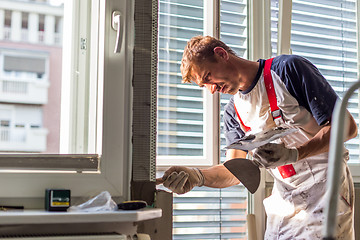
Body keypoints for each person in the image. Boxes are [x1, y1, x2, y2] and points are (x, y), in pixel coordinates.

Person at [157, 35, 357, 239]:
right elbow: (235, 172)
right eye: (203, 85)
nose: (212, 89)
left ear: (221, 54)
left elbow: (348, 127)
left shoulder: (288, 70)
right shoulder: (233, 113)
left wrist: (294, 155)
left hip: (326, 191)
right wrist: (197, 176)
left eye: (208, 76)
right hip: (285, 203)